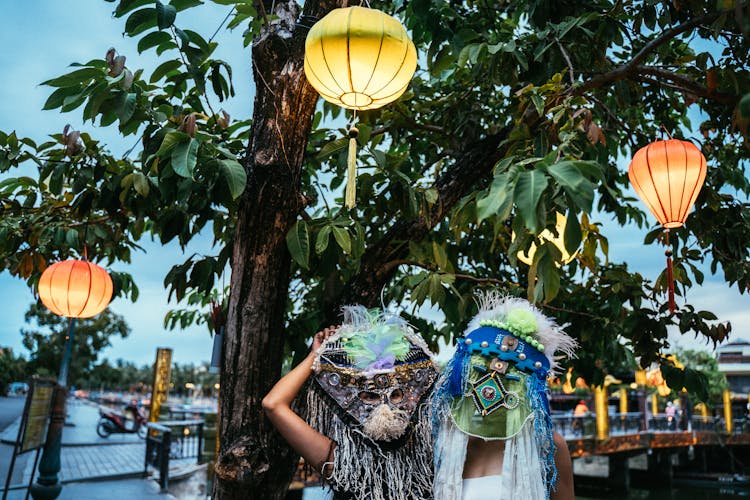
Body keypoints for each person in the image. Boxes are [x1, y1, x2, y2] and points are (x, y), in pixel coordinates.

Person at [263, 306, 439, 500]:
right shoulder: (339, 460)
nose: (385, 406)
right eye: (370, 397)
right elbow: (273, 404)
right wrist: (315, 355)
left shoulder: (428, 449)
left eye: (396, 394)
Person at [433, 292, 577, 500]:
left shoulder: (548, 447)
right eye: (482, 365)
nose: (491, 384)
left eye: (511, 374)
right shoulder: (443, 440)